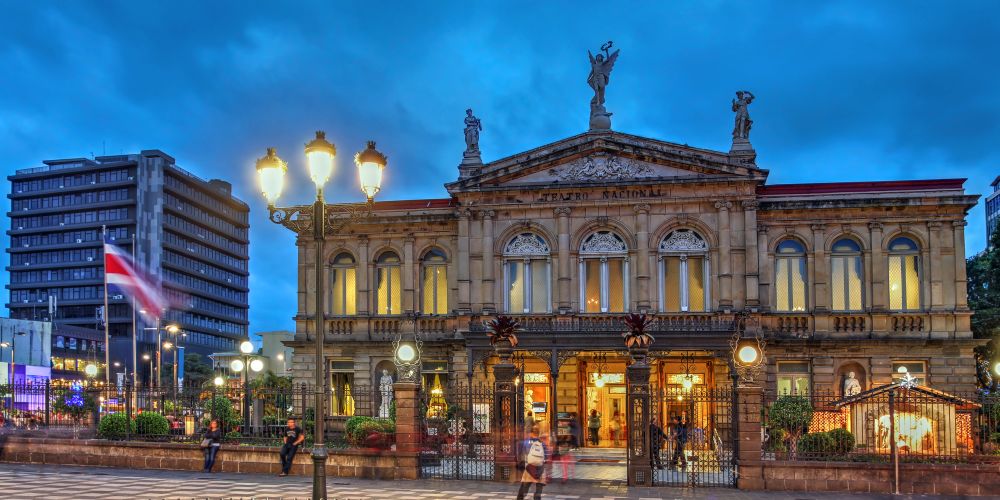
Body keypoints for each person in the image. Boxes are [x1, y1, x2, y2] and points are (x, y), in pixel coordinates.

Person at [516, 428, 548, 500]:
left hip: (530, 467)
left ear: (531, 433)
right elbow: (546, 456)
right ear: (538, 434)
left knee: (525, 486)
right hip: (540, 467)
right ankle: (537, 498)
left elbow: (523, 453)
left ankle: (520, 498)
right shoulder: (542, 443)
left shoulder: (527, 442)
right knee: (539, 488)